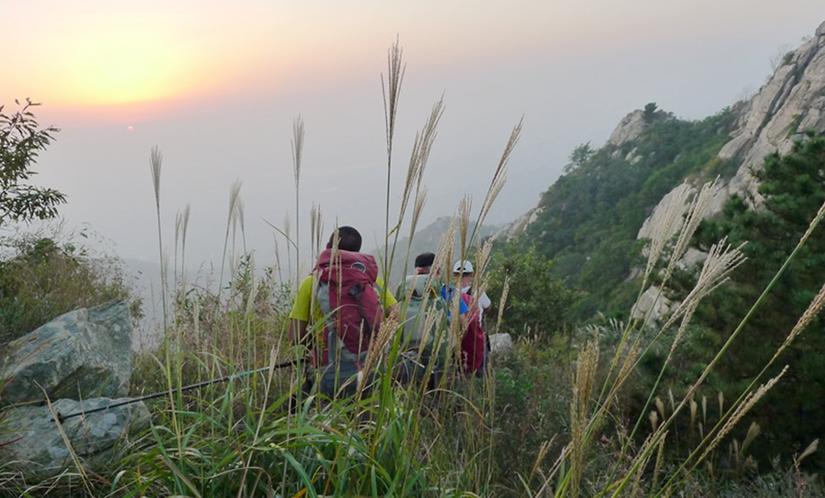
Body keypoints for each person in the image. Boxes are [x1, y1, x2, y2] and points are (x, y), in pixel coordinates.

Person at [288, 226, 397, 397]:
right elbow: (396, 315)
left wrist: (316, 348)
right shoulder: (372, 283)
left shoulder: (311, 283)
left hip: (328, 374)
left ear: (327, 247)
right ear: (357, 253)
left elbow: (295, 336)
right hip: (370, 371)